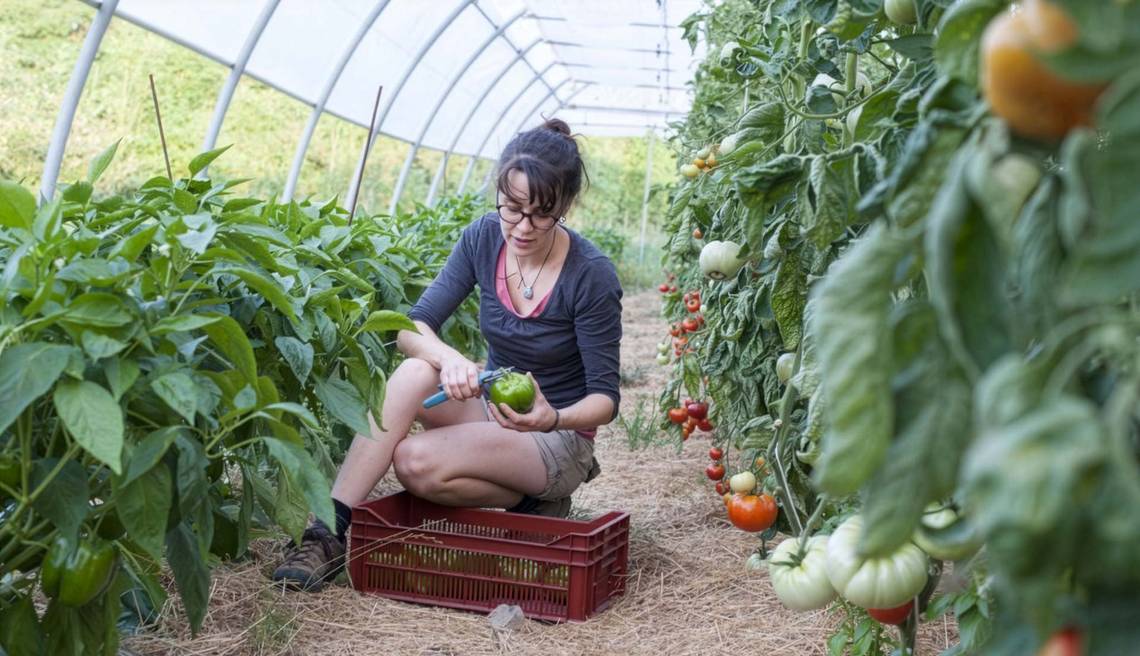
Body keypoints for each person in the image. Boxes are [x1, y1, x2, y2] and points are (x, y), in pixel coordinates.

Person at [272, 118, 624, 591]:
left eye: (542, 214)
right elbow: (412, 326)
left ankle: (537, 495)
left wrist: (551, 417)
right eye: (512, 208)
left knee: (414, 462)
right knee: (416, 369)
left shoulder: (590, 274)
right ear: (499, 192)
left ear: (566, 206)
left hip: (556, 438)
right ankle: (328, 532)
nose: (523, 227)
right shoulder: (484, 238)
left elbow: (605, 399)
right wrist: (450, 358)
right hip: (493, 410)